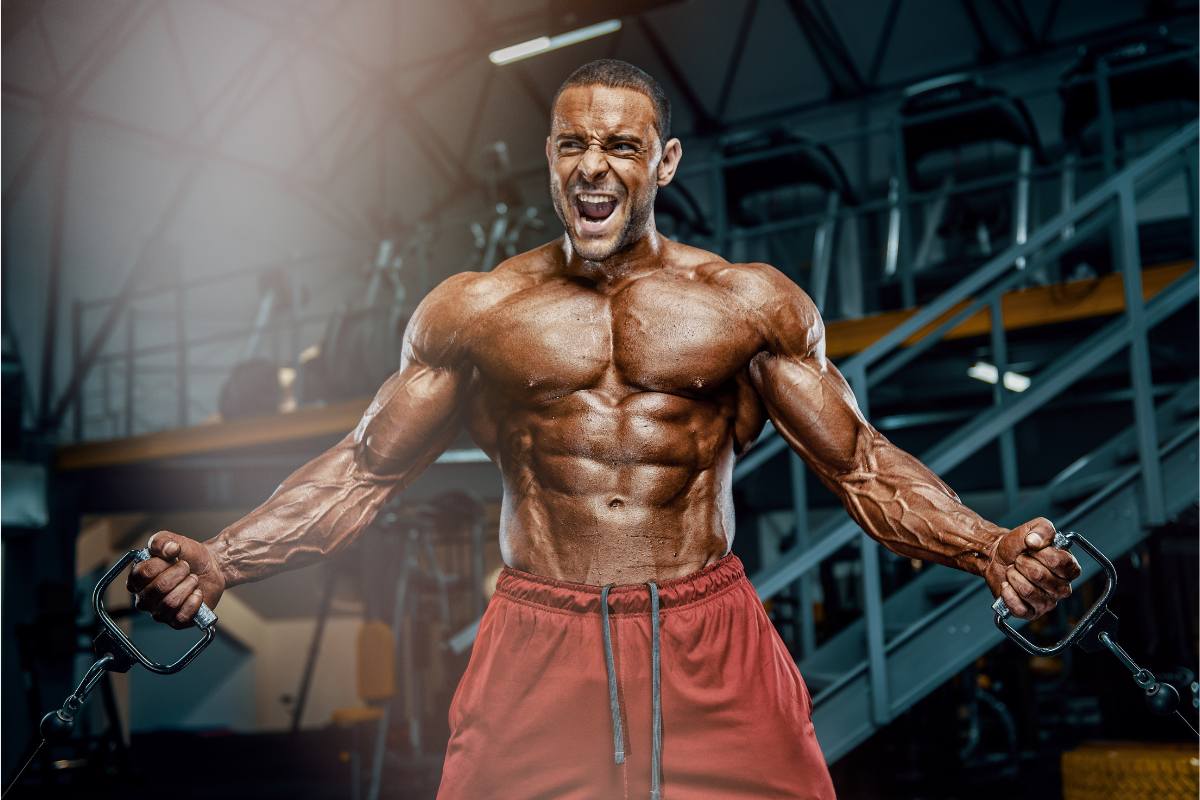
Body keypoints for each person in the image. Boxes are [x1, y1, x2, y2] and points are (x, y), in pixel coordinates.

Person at [129, 60, 1080, 799]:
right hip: (540, 633)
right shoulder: (476, 311)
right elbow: (365, 471)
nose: (594, 165)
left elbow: (861, 465)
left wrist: (989, 548)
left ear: (663, 162)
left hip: (707, 628)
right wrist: (222, 561)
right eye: (573, 145)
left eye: (622, 147)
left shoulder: (747, 304)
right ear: (549, 159)